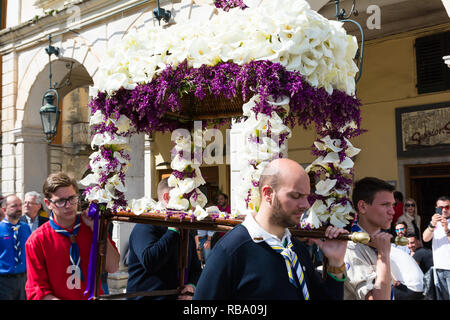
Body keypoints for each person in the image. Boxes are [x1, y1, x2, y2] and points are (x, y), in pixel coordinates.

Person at [194, 158, 348, 300]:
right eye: (296, 195)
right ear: (268, 194)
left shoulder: (296, 250)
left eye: (307, 196)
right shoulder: (231, 250)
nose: (306, 205)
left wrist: (335, 263)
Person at [25, 172, 120, 300]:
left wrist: (96, 229)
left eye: (72, 198)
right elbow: (37, 290)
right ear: (48, 203)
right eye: (61, 201)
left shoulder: (91, 226)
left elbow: (113, 267)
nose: (68, 205)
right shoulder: (37, 240)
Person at [126, 177, 202, 300]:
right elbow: (150, 261)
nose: (189, 203)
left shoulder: (187, 228)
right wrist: (173, 231)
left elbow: (196, 269)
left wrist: (191, 286)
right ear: (166, 198)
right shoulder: (146, 224)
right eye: (184, 198)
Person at [344, 177, 395, 300]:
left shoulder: (381, 241)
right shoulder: (351, 249)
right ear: (362, 207)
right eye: (385, 205)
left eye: (392, 205)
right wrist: (383, 255)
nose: (392, 211)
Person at [0, 195, 32, 299]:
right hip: (4, 281)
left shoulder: (25, 227)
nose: (19, 208)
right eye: (14, 206)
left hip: (24, 279)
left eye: (20, 205)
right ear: (4, 209)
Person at [422, 195, 450, 300]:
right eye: (440, 208)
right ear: (436, 208)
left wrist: (446, 229)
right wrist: (432, 224)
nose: (444, 210)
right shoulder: (435, 223)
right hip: (438, 267)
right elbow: (425, 238)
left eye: (447, 207)